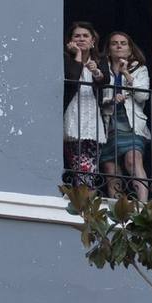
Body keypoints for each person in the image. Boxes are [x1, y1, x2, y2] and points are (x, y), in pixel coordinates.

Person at [100, 31, 152, 201]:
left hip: (131, 122)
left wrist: (127, 74)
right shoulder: (102, 69)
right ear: (108, 50)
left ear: (130, 50)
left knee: (132, 160)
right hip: (108, 122)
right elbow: (97, 96)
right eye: (114, 43)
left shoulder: (139, 69)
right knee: (110, 168)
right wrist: (111, 99)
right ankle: (117, 208)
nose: (119, 46)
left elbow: (143, 96)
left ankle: (143, 203)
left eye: (123, 43)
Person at [62, 21, 107, 190]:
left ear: (93, 41)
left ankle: (86, 195)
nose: (81, 39)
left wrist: (95, 70)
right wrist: (78, 55)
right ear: (70, 41)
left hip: (93, 118)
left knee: (91, 164)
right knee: (79, 162)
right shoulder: (66, 58)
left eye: (85, 36)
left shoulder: (100, 59)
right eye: (77, 36)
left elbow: (105, 80)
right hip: (74, 114)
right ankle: (83, 195)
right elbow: (73, 77)